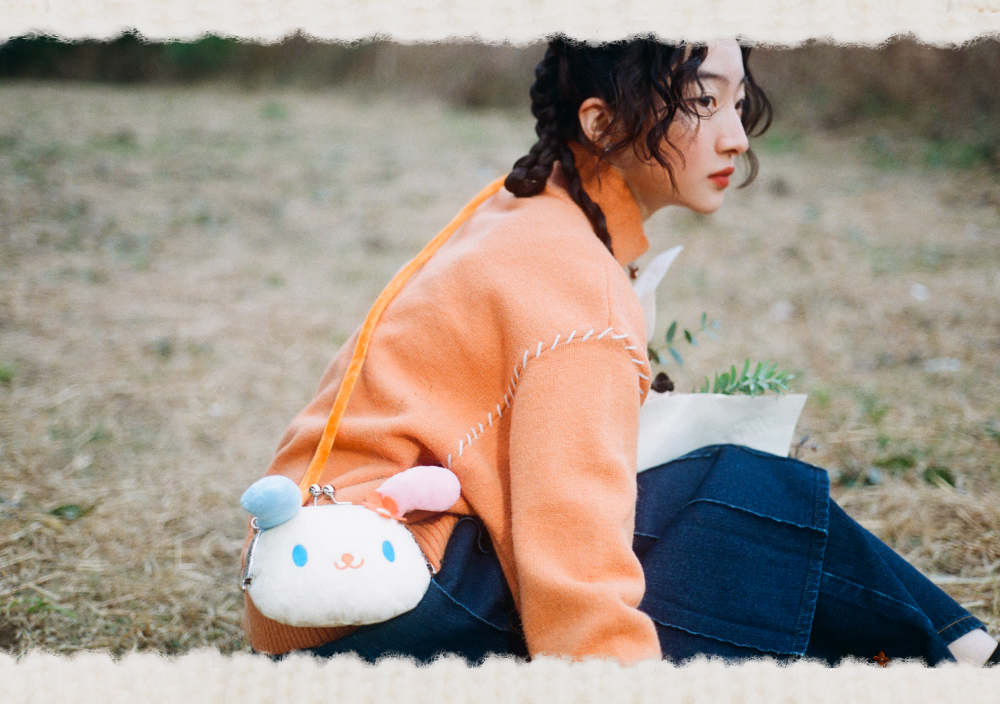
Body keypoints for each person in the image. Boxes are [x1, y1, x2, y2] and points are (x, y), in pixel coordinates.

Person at [242, 36, 999, 667]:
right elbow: (571, 554)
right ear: (602, 123)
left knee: (730, 496)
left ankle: (966, 651)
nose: (735, 136)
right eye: (701, 102)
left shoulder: (527, 207)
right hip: (380, 591)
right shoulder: (578, 284)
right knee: (742, 494)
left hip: (325, 580)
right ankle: (962, 659)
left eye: (738, 102)